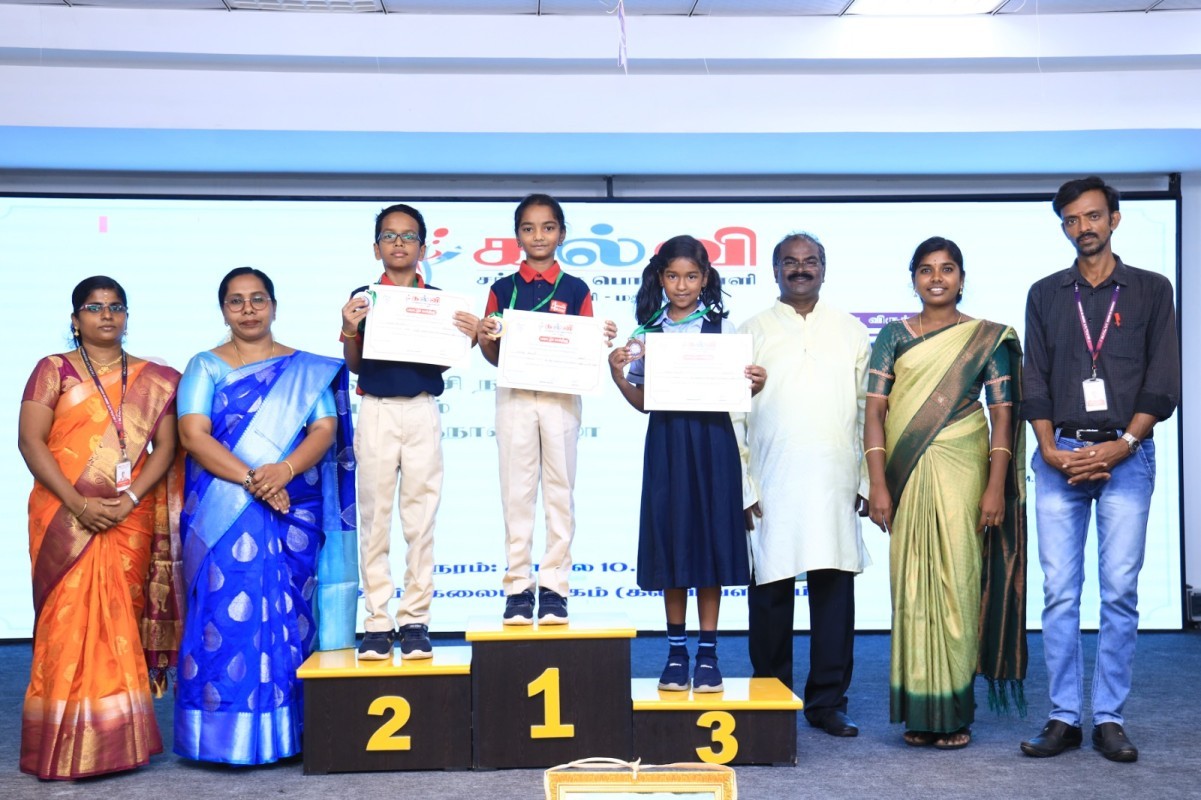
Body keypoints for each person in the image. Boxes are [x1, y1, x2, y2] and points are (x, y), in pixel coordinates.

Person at [1019, 177, 1179, 763]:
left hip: (1127, 457)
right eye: (1071, 219)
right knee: (1060, 594)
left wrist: (1124, 445)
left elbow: (1162, 379)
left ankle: (1109, 717)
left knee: (1120, 592)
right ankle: (1064, 717)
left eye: (1092, 216)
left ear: (1114, 218)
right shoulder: (1045, 293)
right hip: (1059, 454)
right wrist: (1049, 449)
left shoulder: (1152, 289)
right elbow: (1035, 377)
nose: (1082, 227)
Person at [174, 267, 357, 765]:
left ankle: (292, 730)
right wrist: (255, 480)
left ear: (274, 306)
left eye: (258, 299)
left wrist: (285, 470)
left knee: (292, 613)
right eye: (236, 301)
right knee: (223, 613)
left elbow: (323, 429)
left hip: (292, 503)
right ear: (223, 310)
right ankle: (221, 735)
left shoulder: (305, 369)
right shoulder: (205, 366)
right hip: (225, 508)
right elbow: (193, 435)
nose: (248, 310)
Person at [864, 237, 1027, 751]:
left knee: (959, 582)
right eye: (926, 270)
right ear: (913, 278)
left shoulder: (987, 338)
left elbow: (1003, 416)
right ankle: (919, 711)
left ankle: (955, 712)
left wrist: (996, 486)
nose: (937, 278)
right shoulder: (893, 336)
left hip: (965, 471)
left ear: (962, 278)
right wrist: (877, 484)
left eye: (947, 269)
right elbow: (875, 413)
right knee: (911, 587)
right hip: (907, 473)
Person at [17, 276, 182, 780]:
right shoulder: (53, 370)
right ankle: (61, 746)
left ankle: (114, 745)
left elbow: (167, 448)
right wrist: (77, 504)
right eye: (94, 307)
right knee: (65, 627)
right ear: (75, 319)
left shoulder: (156, 379)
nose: (106, 315)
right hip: (63, 517)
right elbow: (30, 442)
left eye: (116, 307)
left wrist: (128, 499)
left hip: (128, 516)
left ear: (126, 316)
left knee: (119, 628)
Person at [608, 235, 766, 692]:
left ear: (705, 279)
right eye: (673, 276)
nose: (682, 285)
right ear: (661, 278)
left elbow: (739, 391)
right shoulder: (646, 334)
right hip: (668, 444)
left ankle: (708, 654)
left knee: (709, 545)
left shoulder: (724, 329)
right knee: (672, 541)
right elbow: (643, 403)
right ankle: (676, 653)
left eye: (692, 276)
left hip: (713, 444)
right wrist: (617, 374)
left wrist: (755, 383)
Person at [736, 232, 870, 737]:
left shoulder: (851, 331)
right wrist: (744, 487)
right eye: (789, 262)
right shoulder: (750, 331)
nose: (800, 269)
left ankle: (827, 703)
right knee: (770, 596)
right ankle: (771, 698)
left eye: (810, 261)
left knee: (834, 597)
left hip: (835, 480)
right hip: (770, 483)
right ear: (774, 271)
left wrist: (865, 478)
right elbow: (732, 416)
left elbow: (868, 411)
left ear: (824, 269)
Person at [341, 203, 479, 660]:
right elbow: (355, 365)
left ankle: (416, 619)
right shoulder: (364, 297)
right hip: (376, 410)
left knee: (421, 521)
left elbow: (441, 361)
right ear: (375, 247)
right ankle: (377, 621)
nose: (398, 243)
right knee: (374, 519)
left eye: (408, 236)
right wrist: (348, 329)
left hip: (421, 410)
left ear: (423, 247)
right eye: (389, 235)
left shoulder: (440, 301)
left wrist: (467, 338)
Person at [477, 194, 616, 625]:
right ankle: (518, 587)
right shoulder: (502, 289)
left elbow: (587, 351)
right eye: (529, 228)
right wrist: (484, 337)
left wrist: (600, 337)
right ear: (517, 236)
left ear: (562, 233)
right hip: (516, 396)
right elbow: (493, 355)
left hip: (561, 398)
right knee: (516, 492)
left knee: (559, 491)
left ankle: (555, 586)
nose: (539, 236)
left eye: (548, 227)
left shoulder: (577, 289)